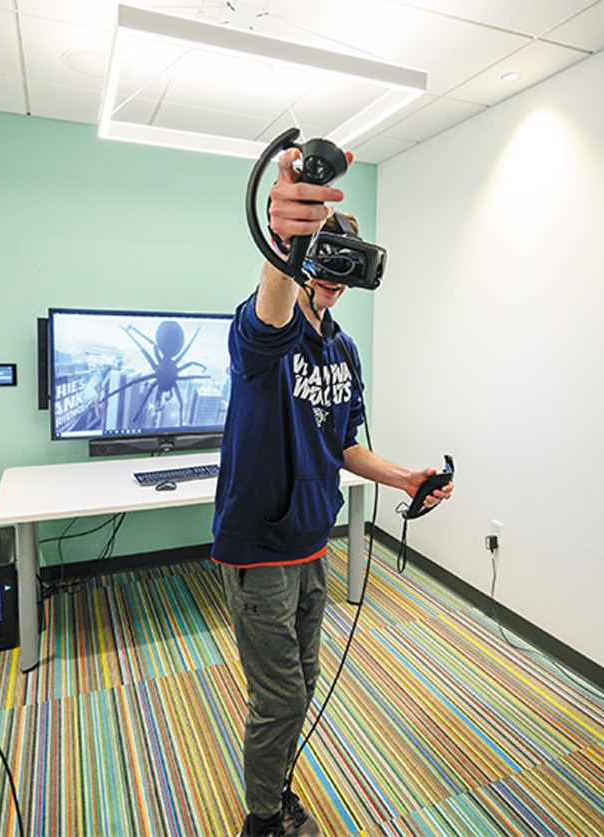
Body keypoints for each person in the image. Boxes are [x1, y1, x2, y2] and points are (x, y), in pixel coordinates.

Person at [213, 147, 454, 837]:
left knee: (304, 683)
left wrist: (404, 476)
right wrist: (285, 247)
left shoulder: (341, 349)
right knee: (281, 697)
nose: (334, 275)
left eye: (342, 260)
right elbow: (269, 315)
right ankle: (263, 817)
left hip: (313, 539)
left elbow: (345, 444)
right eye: (323, 256)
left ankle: (276, 788)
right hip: (259, 547)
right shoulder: (267, 335)